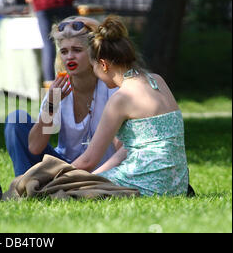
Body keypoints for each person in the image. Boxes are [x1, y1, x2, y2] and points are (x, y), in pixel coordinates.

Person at [71, 15, 189, 196]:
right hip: (177, 185)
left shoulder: (122, 98)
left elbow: (88, 160)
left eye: (93, 66)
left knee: (65, 190)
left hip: (146, 183)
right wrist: (97, 176)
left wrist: (55, 176)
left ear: (103, 64)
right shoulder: (157, 80)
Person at [4, 16, 119, 177]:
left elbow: (123, 149)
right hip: (64, 167)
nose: (69, 57)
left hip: (102, 170)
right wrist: (50, 105)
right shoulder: (59, 88)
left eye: (77, 50)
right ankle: (24, 185)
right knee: (15, 119)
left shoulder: (111, 87)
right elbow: (35, 147)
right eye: (64, 51)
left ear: (94, 52)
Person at [24, 0, 78, 88]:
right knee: (70, 43)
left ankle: (49, 84)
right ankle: (72, 81)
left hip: (43, 0)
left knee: (48, 45)